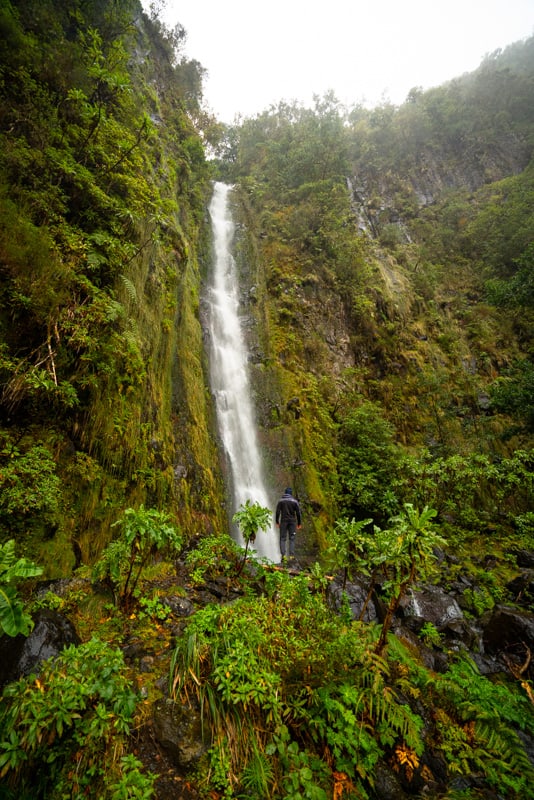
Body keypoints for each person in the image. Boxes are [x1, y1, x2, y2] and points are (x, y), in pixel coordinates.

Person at [275, 487, 302, 562]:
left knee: (282, 538)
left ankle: (283, 556)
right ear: (291, 494)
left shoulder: (281, 501)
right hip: (292, 522)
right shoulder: (294, 502)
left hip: (283, 521)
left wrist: (277, 521)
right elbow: (298, 513)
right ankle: (292, 556)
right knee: (292, 538)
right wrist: (299, 523)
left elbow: (277, 512)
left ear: (285, 493)